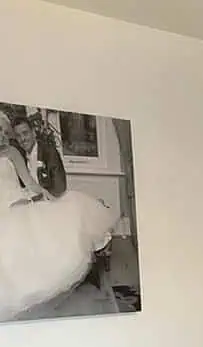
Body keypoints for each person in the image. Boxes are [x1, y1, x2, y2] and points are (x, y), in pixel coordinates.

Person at [0, 111, 118, 320]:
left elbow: (28, 181)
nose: (1, 135)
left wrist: (41, 194)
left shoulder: (12, 152)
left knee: (48, 225)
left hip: (17, 200)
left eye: (3, 131)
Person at [12, 116, 67, 197]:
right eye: (18, 136)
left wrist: (39, 198)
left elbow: (59, 187)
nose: (22, 139)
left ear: (33, 132)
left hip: (51, 202)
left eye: (25, 133)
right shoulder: (20, 157)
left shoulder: (48, 152)